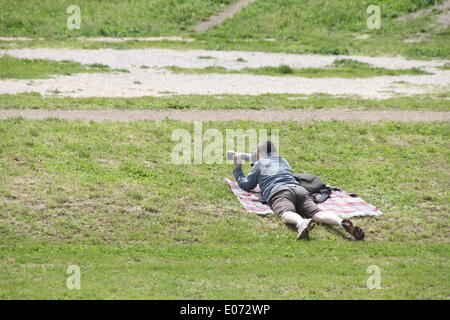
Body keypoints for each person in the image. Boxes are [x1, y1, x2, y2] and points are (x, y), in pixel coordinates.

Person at [233, 141, 365, 240]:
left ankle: (301, 223)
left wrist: (237, 168)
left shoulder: (259, 163)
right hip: (299, 189)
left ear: (260, 153)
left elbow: (246, 185)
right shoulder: (283, 160)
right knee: (318, 214)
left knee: (286, 213)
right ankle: (340, 222)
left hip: (279, 192)